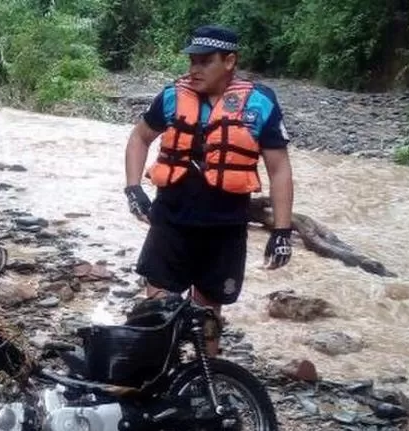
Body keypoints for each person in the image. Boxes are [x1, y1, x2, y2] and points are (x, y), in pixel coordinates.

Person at [123, 24, 294, 356]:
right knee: (156, 311)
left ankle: (206, 382)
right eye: (192, 61)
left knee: (208, 314)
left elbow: (279, 169)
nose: (194, 69)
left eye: (205, 61)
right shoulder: (173, 97)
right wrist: (133, 189)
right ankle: (156, 381)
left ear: (229, 61)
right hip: (170, 223)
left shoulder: (260, 104)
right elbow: (139, 137)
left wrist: (282, 231)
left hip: (224, 230)